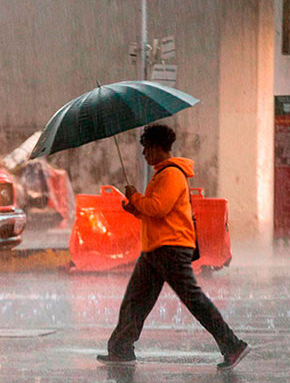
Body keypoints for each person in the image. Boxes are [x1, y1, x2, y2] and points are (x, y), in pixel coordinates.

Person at [97, 124, 250, 370]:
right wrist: (136, 209)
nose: (144, 154)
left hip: (170, 248)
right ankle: (120, 349)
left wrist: (135, 196)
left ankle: (232, 345)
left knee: (193, 299)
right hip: (156, 248)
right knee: (135, 300)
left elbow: (158, 208)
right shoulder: (163, 174)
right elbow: (156, 213)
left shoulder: (171, 174)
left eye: (146, 148)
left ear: (158, 147)